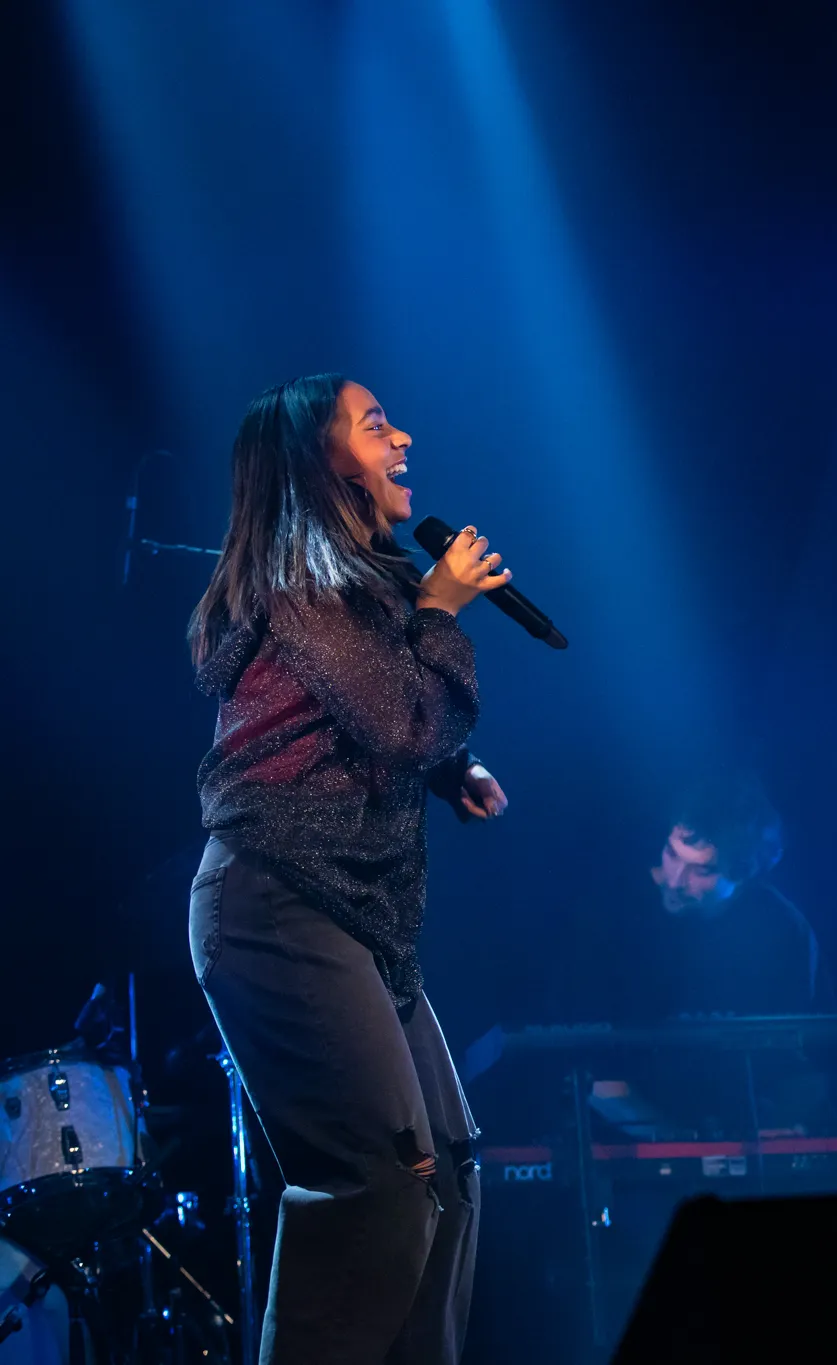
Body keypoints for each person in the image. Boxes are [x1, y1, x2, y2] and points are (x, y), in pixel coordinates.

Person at [186, 374, 509, 1364]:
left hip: (355, 913)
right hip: (276, 902)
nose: (402, 435)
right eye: (375, 426)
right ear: (322, 462)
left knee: (446, 1171)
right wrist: (443, 610)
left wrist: (448, 766)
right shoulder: (298, 582)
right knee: (379, 1179)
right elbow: (398, 713)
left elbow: (374, 716)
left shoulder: (351, 589)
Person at [642, 772, 832, 1015]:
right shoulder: (623, 903)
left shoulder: (781, 928)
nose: (675, 880)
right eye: (671, 854)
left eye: (701, 870)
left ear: (743, 874)